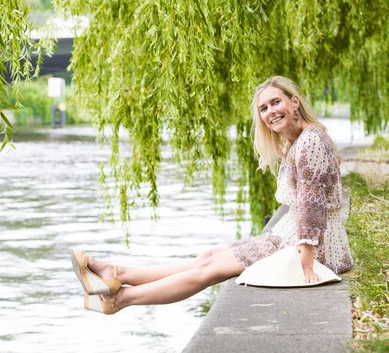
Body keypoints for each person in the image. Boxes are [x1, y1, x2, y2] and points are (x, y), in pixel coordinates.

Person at [71, 76, 354, 315]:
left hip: (315, 249)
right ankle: (117, 273)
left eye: (276, 102)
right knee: (207, 255)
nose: (270, 112)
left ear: (295, 102)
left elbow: (311, 204)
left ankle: (120, 299)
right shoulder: (298, 142)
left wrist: (306, 263)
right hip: (291, 237)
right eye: (264, 108)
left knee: (208, 269)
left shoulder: (310, 141)